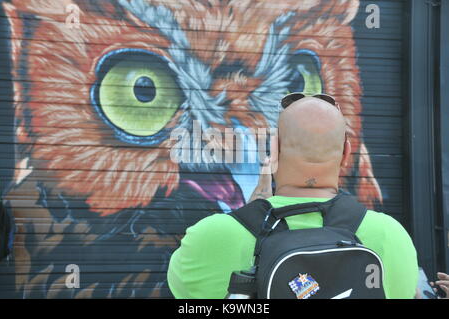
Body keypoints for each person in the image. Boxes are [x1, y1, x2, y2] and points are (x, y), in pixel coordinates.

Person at [167, 94, 419, 299]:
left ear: (273, 149)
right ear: (346, 153)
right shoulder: (392, 237)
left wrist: (251, 215)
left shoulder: (208, 238)